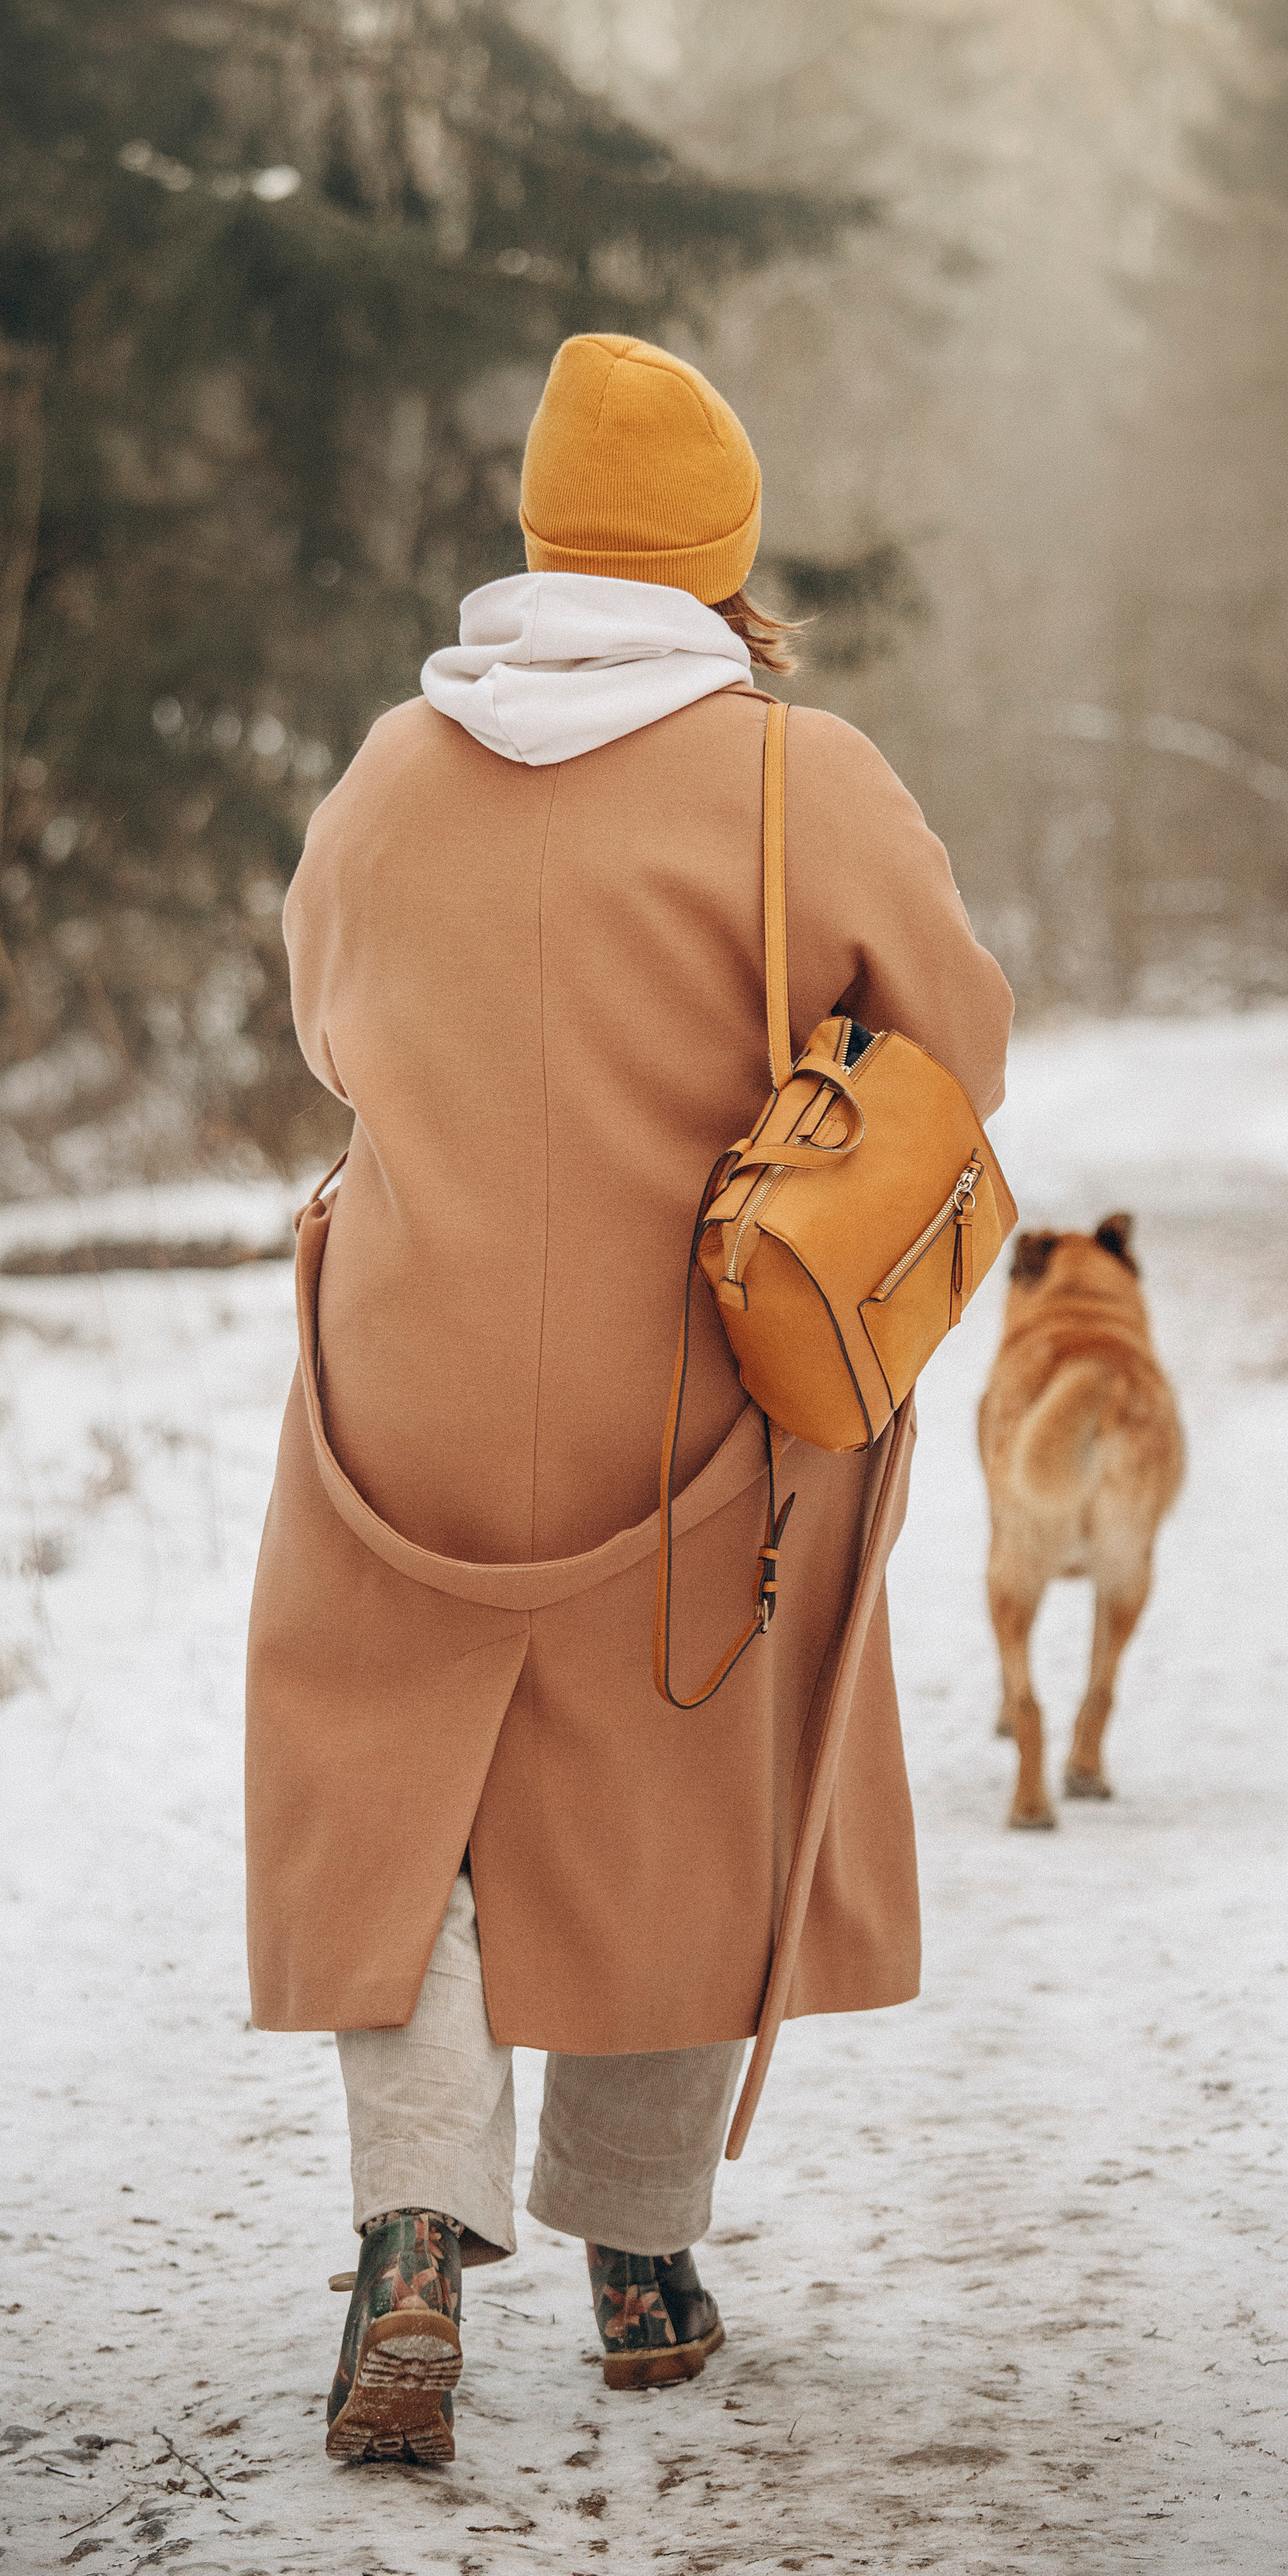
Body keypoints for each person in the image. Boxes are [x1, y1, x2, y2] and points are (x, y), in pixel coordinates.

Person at [244, 332, 1014, 2466]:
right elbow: (956, 1048)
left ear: (539, 535)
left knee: (407, 1792)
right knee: (690, 1766)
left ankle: (411, 2237)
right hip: (689, 1386)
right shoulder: (803, 774)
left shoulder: (398, 767)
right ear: (719, 552)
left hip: (406, 1371)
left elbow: (328, 1018)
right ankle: (643, 2256)